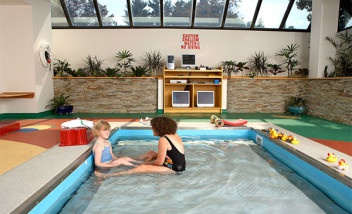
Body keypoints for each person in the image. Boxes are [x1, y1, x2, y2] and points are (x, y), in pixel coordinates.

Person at [95, 116, 186, 177]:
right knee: (151, 153)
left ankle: (107, 176)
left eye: (153, 127)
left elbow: (159, 162)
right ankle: (135, 160)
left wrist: (148, 164)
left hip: (174, 169)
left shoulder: (163, 140)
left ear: (159, 128)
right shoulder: (174, 135)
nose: (152, 129)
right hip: (178, 164)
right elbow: (173, 153)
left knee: (142, 168)